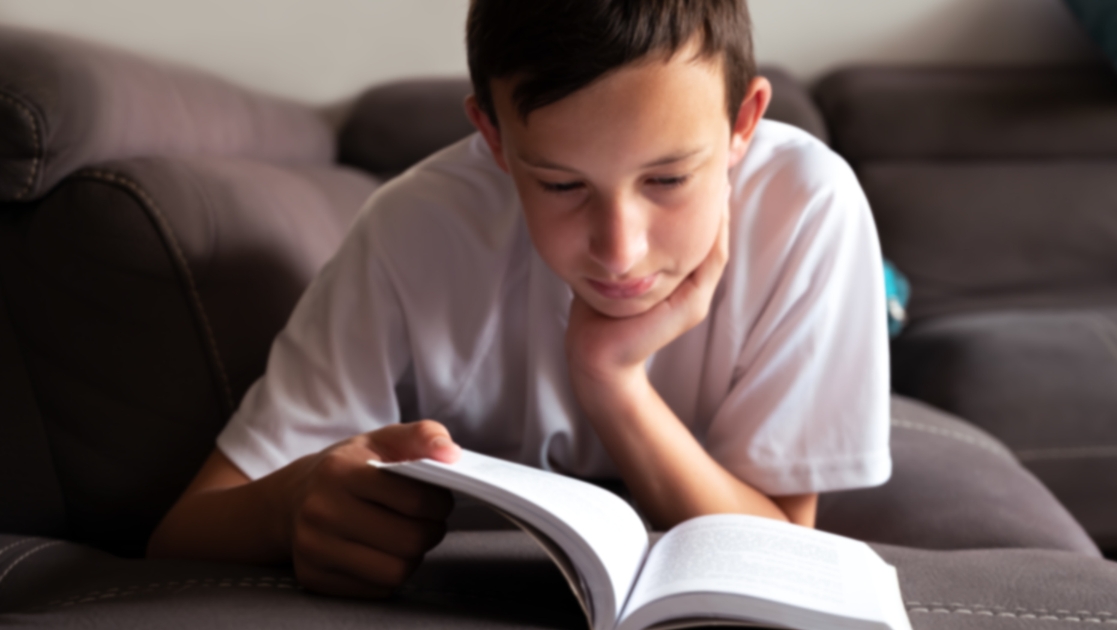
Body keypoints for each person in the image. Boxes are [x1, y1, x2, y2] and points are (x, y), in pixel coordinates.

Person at [147, 0, 891, 599]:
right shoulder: (415, 227)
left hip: (832, 281)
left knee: (887, 306)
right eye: (562, 185)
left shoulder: (809, 204)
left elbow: (789, 548)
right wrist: (292, 503)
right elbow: (186, 529)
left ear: (743, 124)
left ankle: (889, 299)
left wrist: (611, 381)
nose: (619, 252)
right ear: (494, 139)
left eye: (667, 180)